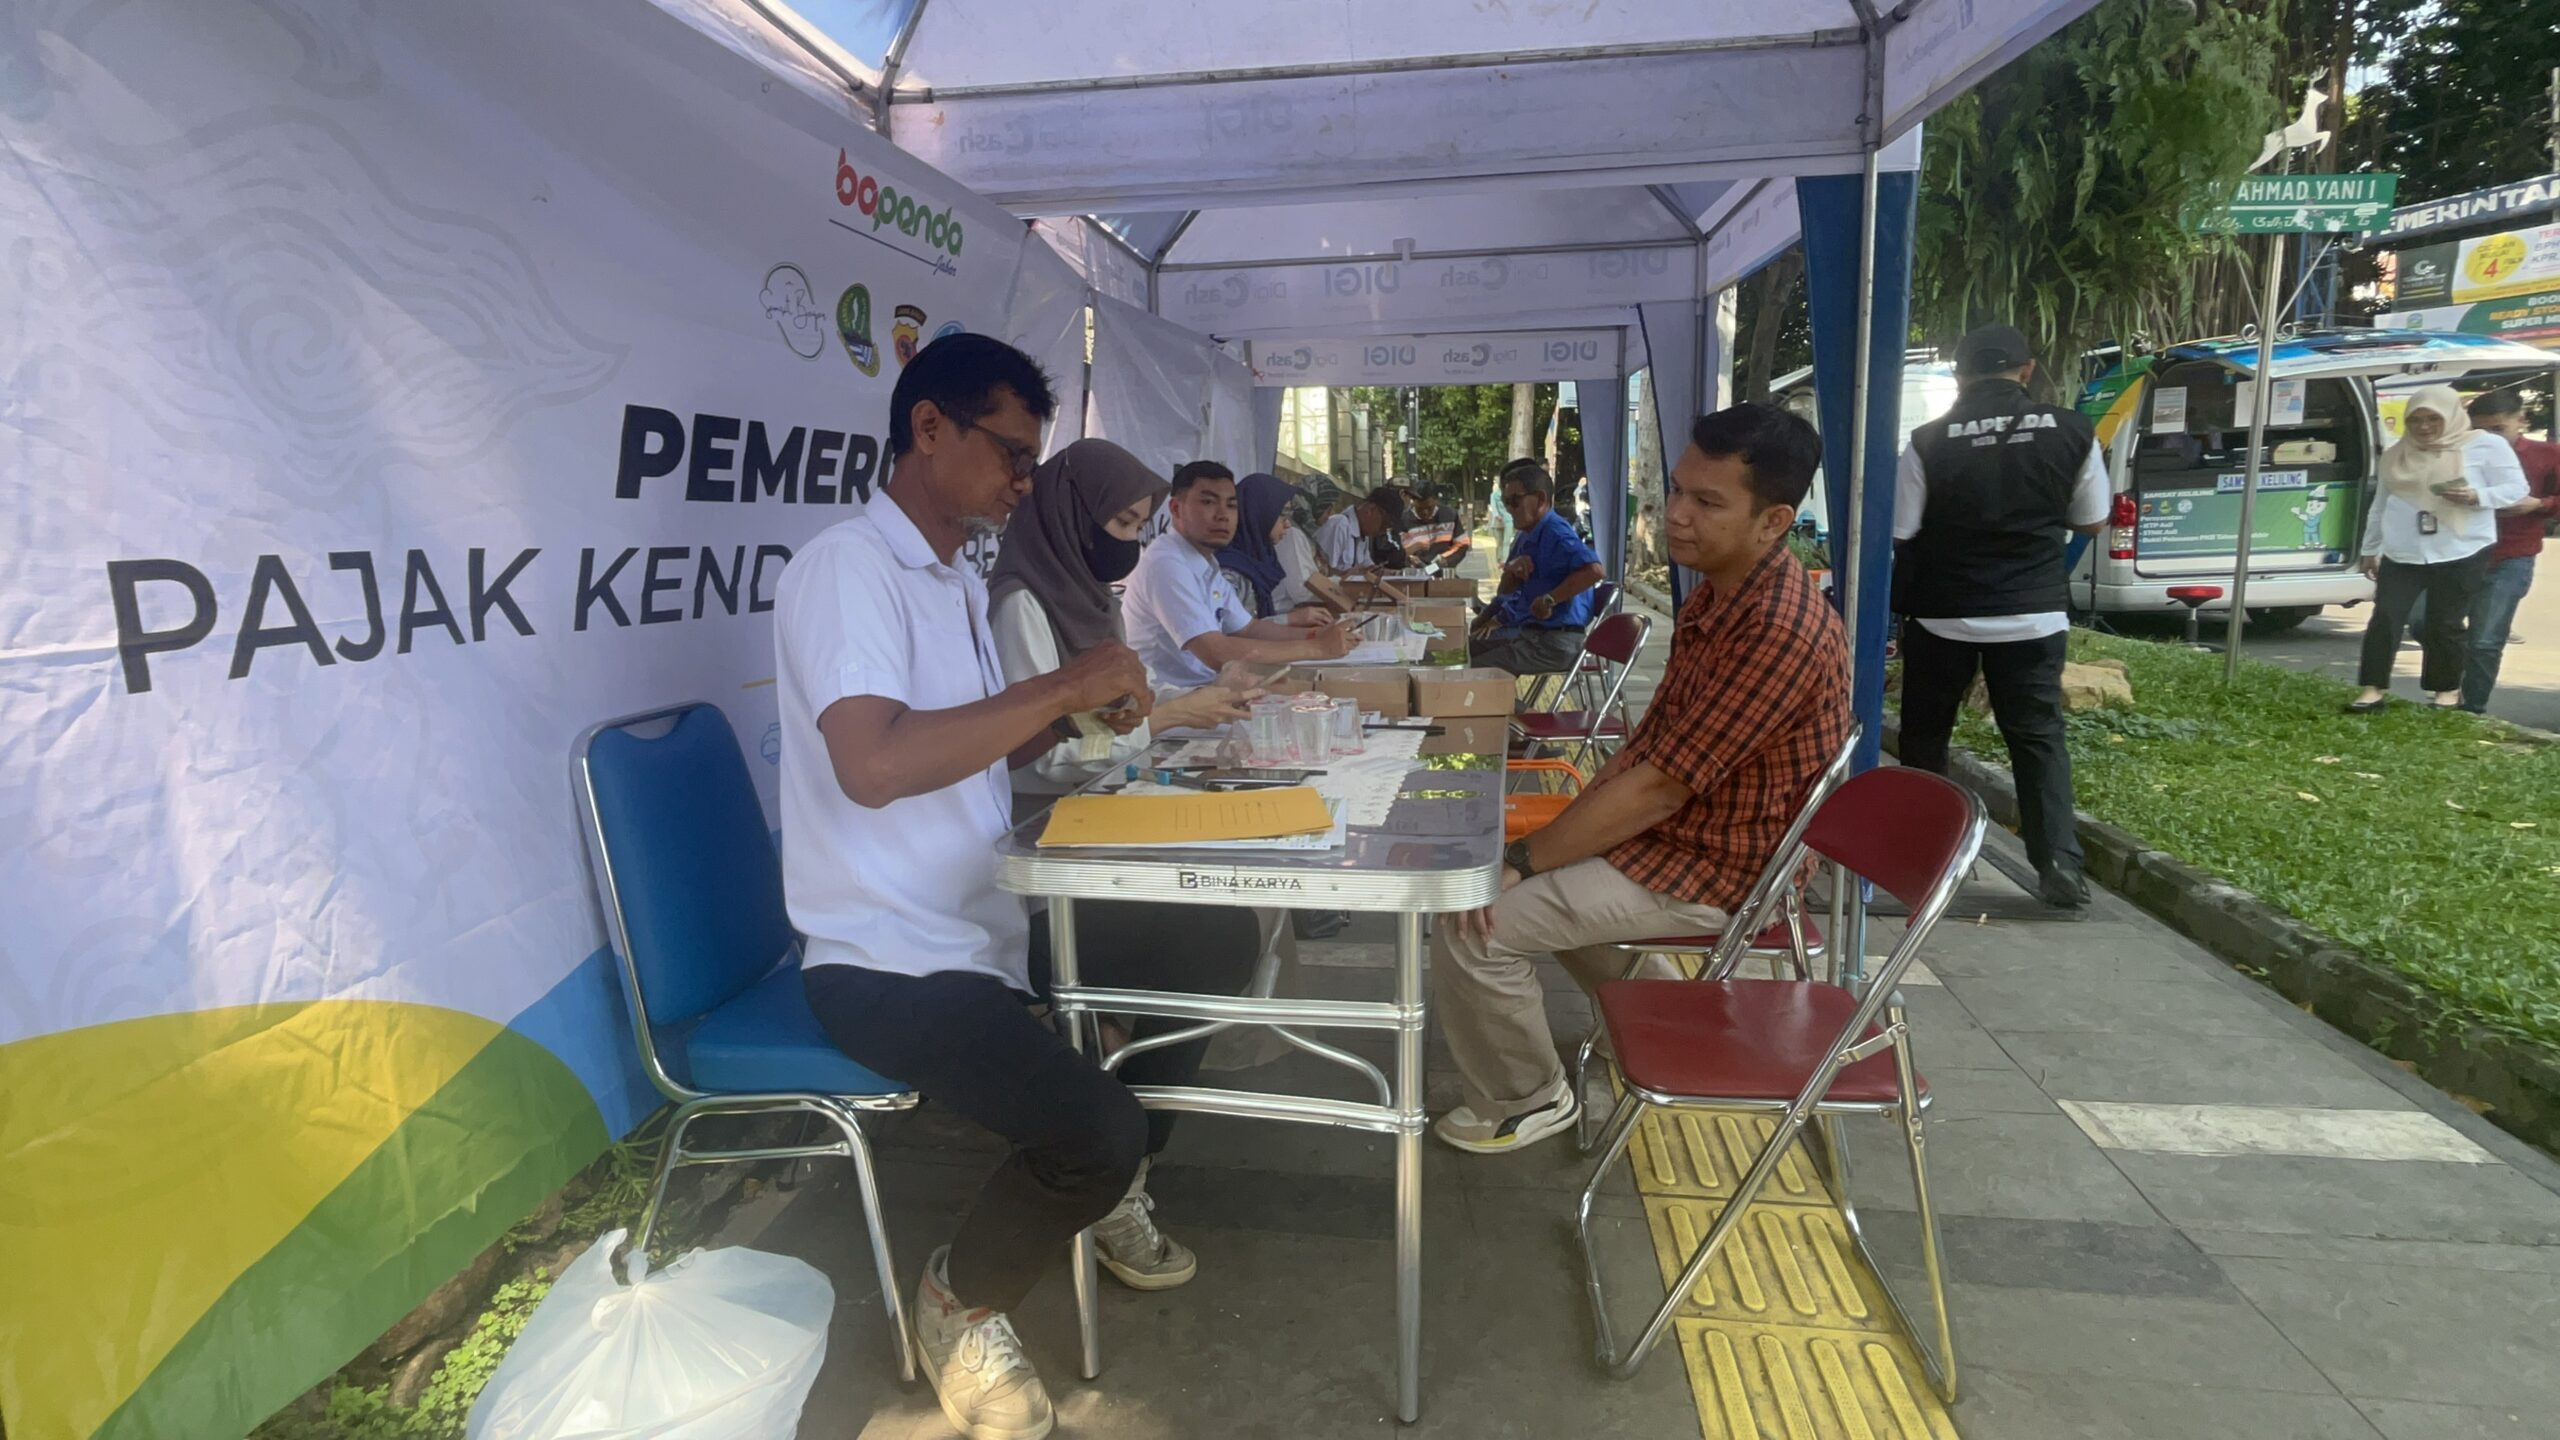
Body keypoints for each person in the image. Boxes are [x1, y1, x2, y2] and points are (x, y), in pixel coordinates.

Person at [776, 335, 1200, 1440]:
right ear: (928, 428)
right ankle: (960, 1299)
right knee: (1093, 1131)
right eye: (1010, 455)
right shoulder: (847, 570)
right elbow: (875, 764)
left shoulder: (952, 575)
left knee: (1204, 947)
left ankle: (1101, 1184)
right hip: (882, 956)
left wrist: (1068, 715)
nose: (1023, 483)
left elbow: (966, 749)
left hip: (984, 910)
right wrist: (1064, 680)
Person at [1429, 404, 1847, 1152]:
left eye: (1707, 502)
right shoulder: (1723, 592)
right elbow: (1647, 748)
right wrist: (1552, 843)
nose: (1677, 516)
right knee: (1535, 872)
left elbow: (1660, 785)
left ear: (1774, 520)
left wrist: (1526, 861)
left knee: (1473, 927)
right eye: (1678, 491)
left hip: (1721, 869)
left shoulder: (1777, 626)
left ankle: (1527, 1098)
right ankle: (1661, 1012)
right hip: (1678, 838)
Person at [1891, 322, 2109, 911]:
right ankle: (2059, 863)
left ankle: (1921, 858)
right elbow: (2092, 519)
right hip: (2033, 613)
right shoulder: (2072, 432)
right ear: (2027, 370)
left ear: (1960, 377)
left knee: (1926, 739)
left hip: (1944, 614)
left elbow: (1902, 531)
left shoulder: (1928, 440)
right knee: (2036, 738)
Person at [990, 440, 1263, 799]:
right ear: (1074, 514)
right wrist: (1170, 717)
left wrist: (1206, 698)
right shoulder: (1020, 604)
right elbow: (1042, 753)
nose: (1131, 541)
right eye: (1123, 522)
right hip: (1042, 811)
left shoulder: (1096, 597)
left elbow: (1134, 687)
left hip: (1095, 794)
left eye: (1139, 526)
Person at [2348, 385, 2528, 713]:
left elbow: (2516, 488)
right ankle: (2371, 690)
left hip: (2462, 547)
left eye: (2434, 418)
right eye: (2416, 419)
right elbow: (2380, 504)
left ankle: (2444, 692)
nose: (2425, 426)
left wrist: (2478, 497)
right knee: (2385, 617)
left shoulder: (2486, 445)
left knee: (2444, 622)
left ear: (2453, 416)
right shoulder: (2397, 452)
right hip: (2404, 549)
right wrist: (2369, 547)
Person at [1121, 461, 1356, 691]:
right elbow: (1217, 652)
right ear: (1176, 509)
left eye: (1232, 505)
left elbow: (1248, 628)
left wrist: (1314, 634)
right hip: (1167, 703)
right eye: (1208, 502)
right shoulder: (1166, 563)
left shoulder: (1206, 561)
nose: (1223, 515)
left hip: (1210, 689)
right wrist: (1316, 647)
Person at [2457, 389, 2559, 713]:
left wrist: (2539, 504)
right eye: (2481, 429)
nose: (2489, 438)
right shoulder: (2461, 451)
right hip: (2458, 552)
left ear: (2522, 421)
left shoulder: (2548, 454)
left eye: (2498, 429)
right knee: (2423, 622)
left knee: (2486, 640)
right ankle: (2451, 676)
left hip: (2511, 556)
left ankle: (2471, 709)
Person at [1470, 459, 1605, 676]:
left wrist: (1550, 599)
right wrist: (1510, 574)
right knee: (1464, 651)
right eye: (1505, 503)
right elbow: (1505, 592)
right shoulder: (1526, 534)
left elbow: (1595, 571)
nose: (1509, 510)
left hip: (1557, 642)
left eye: (1515, 502)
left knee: (1475, 671)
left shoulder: (1556, 532)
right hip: (1531, 633)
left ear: (1540, 499)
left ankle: (1520, 711)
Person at [1217, 471, 1356, 617]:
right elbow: (1236, 630)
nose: (1287, 524)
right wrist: (1290, 622)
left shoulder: (1262, 556)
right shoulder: (1229, 572)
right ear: (1260, 514)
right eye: (1281, 515)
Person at [1400, 485, 1471, 570]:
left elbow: (1462, 544)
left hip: (1444, 570)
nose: (1425, 512)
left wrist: (1448, 560)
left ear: (1436, 500)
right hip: (1415, 573)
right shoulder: (1403, 520)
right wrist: (1409, 559)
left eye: (1429, 508)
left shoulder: (1449, 516)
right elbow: (1397, 552)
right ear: (1413, 502)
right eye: (1420, 508)